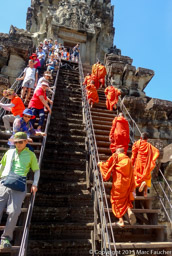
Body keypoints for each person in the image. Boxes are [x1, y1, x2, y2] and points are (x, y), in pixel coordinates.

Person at [0, 132, 40, 249]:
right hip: (4, 182)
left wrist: (35, 183)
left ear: (26, 142)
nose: (18, 144)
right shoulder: (9, 152)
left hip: (18, 184)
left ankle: (5, 238)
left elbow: (36, 170)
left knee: (14, 211)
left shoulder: (31, 155)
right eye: (16, 142)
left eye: (20, 142)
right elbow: (1, 165)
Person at [98, 148, 136, 227]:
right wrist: (132, 185)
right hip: (127, 183)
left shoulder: (115, 156)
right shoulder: (129, 160)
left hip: (118, 183)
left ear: (118, 151)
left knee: (116, 201)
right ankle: (129, 211)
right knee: (125, 199)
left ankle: (121, 221)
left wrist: (100, 164)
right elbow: (132, 173)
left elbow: (107, 165)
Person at [131, 132, 160, 197]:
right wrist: (152, 160)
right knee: (147, 176)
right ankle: (146, 193)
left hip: (138, 162)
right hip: (146, 164)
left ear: (141, 138)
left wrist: (132, 163)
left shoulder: (137, 143)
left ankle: (134, 192)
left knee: (135, 176)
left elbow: (133, 155)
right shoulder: (149, 145)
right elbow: (157, 152)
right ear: (147, 139)